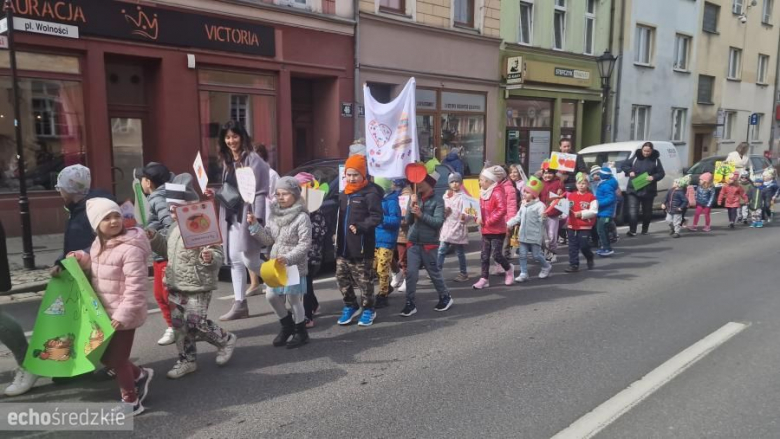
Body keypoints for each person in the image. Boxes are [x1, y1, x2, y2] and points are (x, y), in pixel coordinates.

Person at [147, 175, 237, 379]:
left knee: (195, 322)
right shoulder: (172, 228)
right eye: (170, 209)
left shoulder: (201, 223)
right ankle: (187, 360)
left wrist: (209, 257)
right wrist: (154, 239)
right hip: (176, 282)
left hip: (198, 283)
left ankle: (225, 340)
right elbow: (167, 250)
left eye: (176, 209)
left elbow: (216, 253)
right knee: (179, 326)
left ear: (188, 207)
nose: (172, 213)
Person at [72, 198, 153, 415]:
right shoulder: (99, 244)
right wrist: (79, 258)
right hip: (104, 313)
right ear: (96, 225)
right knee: (106, 357)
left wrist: (123, 315)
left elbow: (136, 287)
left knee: (118, 359)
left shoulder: (131, 249)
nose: (114, 221)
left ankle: (131, 401)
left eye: (116, 215)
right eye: (106, 218)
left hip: (124, 314)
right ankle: (140, 375)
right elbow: (96, 265)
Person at [205, 121, 269, 321]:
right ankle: (240, 304)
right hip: (231, 216)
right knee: (234, 259)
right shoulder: (227, 161)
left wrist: (257, 218)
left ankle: (281, 281)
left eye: (234, 136)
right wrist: (215, 193)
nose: (231, 141)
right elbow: (231, 189)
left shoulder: (254, 160)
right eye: (227, 137)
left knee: (250, 260)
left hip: (247, 216)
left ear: (242, 137)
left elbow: (260, 192)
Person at [248, 176, 312, 346]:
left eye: (285, 194)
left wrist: (289, 258)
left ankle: (301, 331)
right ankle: (287, 325)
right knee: (271, 296)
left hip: (293, 264)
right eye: (278, 194)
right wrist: (255, 226)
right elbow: (268, 239)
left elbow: (305, 244)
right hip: (275, 264)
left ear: (295, 195)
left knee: (293, 298)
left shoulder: (302, 217)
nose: (281, 197)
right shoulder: (274, 215)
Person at [335, 155, 383, 326]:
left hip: (361, 247)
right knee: (342, 279)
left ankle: (369, 309)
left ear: (363, 175)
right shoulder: (343, 195)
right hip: (343, 247)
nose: (352, 178)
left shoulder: (370, 194)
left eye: (355, 174)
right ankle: (350, 306)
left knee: (364, 281)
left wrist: (361, 227)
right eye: (349, 174)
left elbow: (377, 217)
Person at [135, 162, 177, 347]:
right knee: (161, 294)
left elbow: (170, 224)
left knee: (164, 295)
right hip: (162, 254)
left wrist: (158, 238)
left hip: (164, 254)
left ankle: (176, 327)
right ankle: (175, 326)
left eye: (142, 179)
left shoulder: (157, 198)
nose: (141, 182)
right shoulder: (165, 194)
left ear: (148, 182)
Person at [400, 172, 453, 317]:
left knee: (433, 273)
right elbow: (408, 221)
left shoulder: (438, 201)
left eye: (421, 181)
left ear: (429, 183)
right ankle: (410, 303)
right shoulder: (414, 198)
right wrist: (411, 206)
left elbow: (438, 223)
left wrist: (421, 215)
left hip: (429, 243)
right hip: (413, 242)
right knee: (411, 274)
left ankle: (445, 296)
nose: (417, 185)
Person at [473, 165, 514, 289]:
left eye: (482, 180)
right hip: (485, 229)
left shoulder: (497, 192)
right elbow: (478, 209)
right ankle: (484, 278)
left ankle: (509, 269)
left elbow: (502, 209)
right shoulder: (482, 193)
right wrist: (476, 217)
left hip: (497, 230)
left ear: (490, 181)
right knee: (484, 255)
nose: (480, 182)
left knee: (496, 255)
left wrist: (488, 221)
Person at [247, 143, 280, 297]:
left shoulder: (271, 174)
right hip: (251, 214)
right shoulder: (246, 174)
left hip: (268, 215)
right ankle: (255, 283)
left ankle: (273, 280)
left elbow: (278, 197)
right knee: (250, 249)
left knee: (269, 250)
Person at [295, 173, 328, 328]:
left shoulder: (315, 209)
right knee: (303, 283)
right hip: (296, 252)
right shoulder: (293, 207)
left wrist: (304, 228)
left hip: (310, 253)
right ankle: (313, 305)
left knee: (305, 284)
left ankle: (307, 315)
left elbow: (321, 230)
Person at [507, 176, 552, 282]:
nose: (524, 194)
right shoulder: (523, 205)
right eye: (524, 191)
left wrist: (544, 217)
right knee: (522, 255)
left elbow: (543, 222)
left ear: (534, 194)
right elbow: (518, 217)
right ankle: (523, 273)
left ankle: (546, 266)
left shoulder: (540, 206)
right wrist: (508, 224)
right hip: (523, 235)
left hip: (535, 235)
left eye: (527, 192)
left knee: (536, 255)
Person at [621, 142, 666, 236]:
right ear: (641, 150)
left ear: (651, 151)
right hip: (633, 189)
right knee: (633, 211)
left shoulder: (655, 160)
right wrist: (630, 171)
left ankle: (645, 230)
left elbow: (661, 173)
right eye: (644, 151)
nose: (646, 153)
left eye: (648, 151)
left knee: (647, 211)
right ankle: (632, 231)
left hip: (648, 190)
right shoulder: (635, 158)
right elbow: (624, 165)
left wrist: (653, 177)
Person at [373, 177, 402, 310]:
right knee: (374, 267)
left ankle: (383, 295)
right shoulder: (376, 199)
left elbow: (395, 221)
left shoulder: (392, 201)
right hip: (375, 238)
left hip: (387, 239)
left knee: (382, 268)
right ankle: (387, 286)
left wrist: (379, 218)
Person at [438, 172, 471, 282]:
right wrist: (444, 212)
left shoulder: (464, 197)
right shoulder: (446, 196)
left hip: (458, 227)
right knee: (441, 250)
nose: (455, 184)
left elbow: (470, 212)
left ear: (461, 183)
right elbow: (442, 210)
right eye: (452, 182)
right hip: (447, 227)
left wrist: (465, 217)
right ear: (449, 184)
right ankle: (436, 271)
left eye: (457, 181)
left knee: (459, 252)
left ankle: (463, 273)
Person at [564, 173, 598, 272]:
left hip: (584, 226)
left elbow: (594, 211)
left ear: (587, 184)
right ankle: (574, 264)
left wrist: (581, 214)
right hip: (572, 225)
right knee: (572, 246)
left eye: (583, 183)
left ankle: (589, 256)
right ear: (576, 184)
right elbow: (566, 208)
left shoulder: (591, 197)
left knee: (584, 246)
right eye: (579, 183)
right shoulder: (571, 196)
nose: (581, 185)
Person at [540, 168, 564, 262]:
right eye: (545, 173)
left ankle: (552, 253)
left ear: (554, 174)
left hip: (553, 213)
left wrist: (561, 193)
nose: (547, 175)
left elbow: (563, 198)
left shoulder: (558, 183)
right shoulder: (540, 183)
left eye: (550, 173)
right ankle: (543, 252)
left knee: (552, 235)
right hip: (541, 213)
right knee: (542, 236)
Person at [393, 180, 413, 293]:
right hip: (397, 232)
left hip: (404, 233)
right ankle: (400, 274)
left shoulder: (406, 195)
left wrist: (398, 219)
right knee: (399, 258)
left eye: (393, 183)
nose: (391, 185)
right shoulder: (396, 194)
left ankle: (407, 279)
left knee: (404, 258)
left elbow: (405, 219)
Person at [595, 167, 618, 257]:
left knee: (601, 229)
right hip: (602, 211)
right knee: (602, 229)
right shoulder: (605, 183)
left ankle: (607, 248)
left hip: (606, 211)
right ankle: (605, 247)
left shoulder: (607, 185)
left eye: (599, 173)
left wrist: (598, 204)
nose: (598, 175)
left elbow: (611, 198)